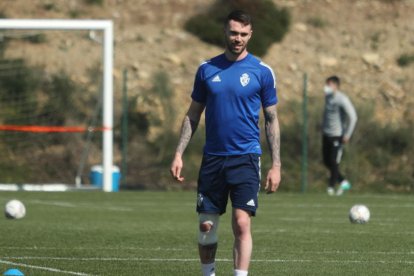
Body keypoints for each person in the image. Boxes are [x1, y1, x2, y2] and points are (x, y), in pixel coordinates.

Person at [170, 10, 281, 276]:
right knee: (206, 225)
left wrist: (276, 164)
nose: (238, 38)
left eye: (243, 34)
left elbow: (272, 119)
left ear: (250, 34)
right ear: (225, 32)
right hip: (214, 158)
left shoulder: (262, 71)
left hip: (246, 157)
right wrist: (178, 153)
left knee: (242, 223)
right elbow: (193, 114)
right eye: (233, 33)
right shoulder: (207, 70)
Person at [322, 75, 357, 196]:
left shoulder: (342, 99)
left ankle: (330, 188)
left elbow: (353, 117)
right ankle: (343, 181)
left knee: (333, 161)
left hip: (337, 135)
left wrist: (347, 134)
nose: (326, 87)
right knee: (326, 161)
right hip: (326, 134)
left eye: (329, 85)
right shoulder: (327, 97)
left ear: (336, 86)